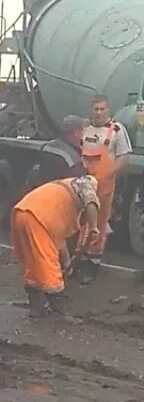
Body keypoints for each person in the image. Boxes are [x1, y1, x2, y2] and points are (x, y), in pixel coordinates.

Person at [10, 175, 100, 318]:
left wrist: (67, 262)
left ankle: (36, 308)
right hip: (38, 219)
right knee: (49, 265)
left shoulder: (60, 200)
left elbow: (60, 241)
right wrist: (94, 226)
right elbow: (91, 201)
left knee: (34, 265)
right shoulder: (86, 183)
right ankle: (59, 312)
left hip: (22, 213)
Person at [79, 93, 133, 282]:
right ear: (91, 110)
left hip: (104, 185)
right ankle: (77, 259)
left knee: (99, 225)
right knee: (79, 222)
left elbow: (124, 157)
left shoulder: (117, 130)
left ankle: (92, 265)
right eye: (96, 109)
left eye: (103, 109)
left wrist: (108, 173)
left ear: (108, 109)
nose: (100, 112)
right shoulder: (84, 129)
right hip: (82, 182)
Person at [36, 115, 88, 186]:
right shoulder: (72, 158)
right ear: (75, 133)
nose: (84, 134)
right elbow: (80, 186)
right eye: (82, 130)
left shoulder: (47, 147)